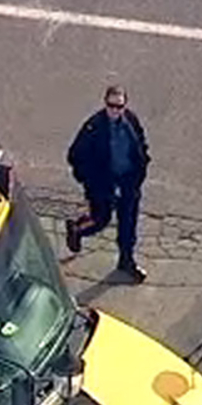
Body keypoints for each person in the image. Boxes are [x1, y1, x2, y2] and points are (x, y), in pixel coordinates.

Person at [64, 85, 151, 282]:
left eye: (119, 106)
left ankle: (126, 261)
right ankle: (77, 229)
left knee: (128, 225)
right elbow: (75, 155)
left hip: (128, 182)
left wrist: (142, 165)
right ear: (105, 104)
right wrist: (89, 181)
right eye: (111, 106)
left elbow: (140, 143)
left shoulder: (131, 120)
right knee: (100, 220)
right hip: (104, 185)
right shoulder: (94, 127)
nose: (115, 111)